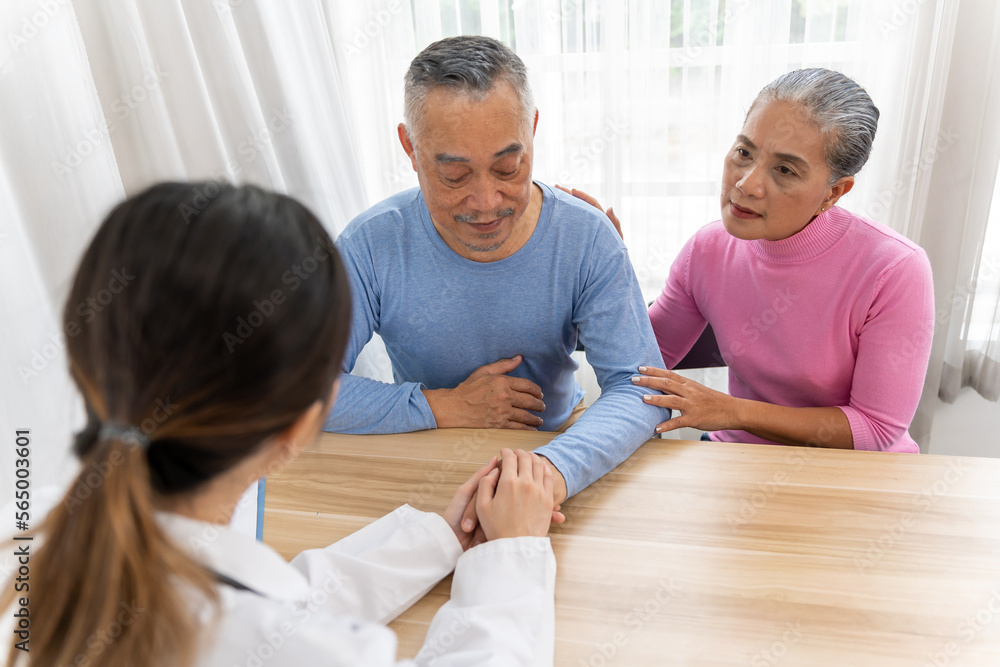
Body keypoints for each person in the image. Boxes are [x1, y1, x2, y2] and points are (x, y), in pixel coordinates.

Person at [0, 182, 558, 666]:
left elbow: (267, 607)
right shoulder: (250, 638)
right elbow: (261, 629)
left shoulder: (26, 534)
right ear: (302, 423)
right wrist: (508, 557)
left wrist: (439, 536)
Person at [322, 35, 668, 505]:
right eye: (455, 176)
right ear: (410, 148)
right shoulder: (370, 244)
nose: (486, 204)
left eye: (508, 168)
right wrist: (445, 406)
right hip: (424, 449)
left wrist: (550, 471)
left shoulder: (586, 237)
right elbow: (302, 390)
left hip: (559, 446)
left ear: (533, 132)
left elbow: (639, 387)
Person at [574, 68, 934, 452]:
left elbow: (876, 431)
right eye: (744, 153)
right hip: (735, 455)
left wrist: (732, 412)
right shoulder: (707, 249)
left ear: (834, 192)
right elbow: (642, 360)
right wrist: (609, 272)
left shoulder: (895, 270)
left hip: (852, 473)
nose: (746, 184)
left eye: (784, 170)